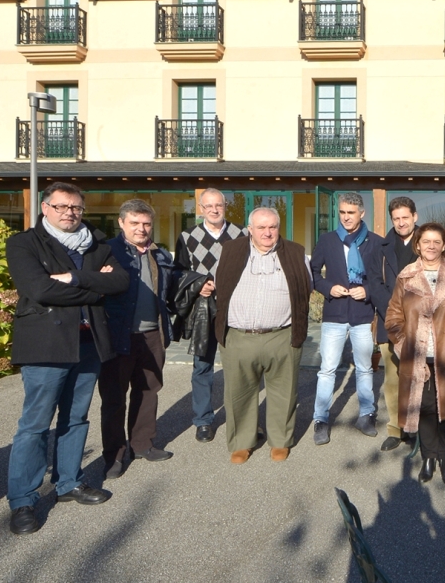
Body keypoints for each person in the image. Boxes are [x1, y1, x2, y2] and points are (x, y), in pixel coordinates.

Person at [5, 182, 129, 535]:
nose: (70, 213)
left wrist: (75, 278)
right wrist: (95, 289)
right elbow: (39, 289)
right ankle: (23, 500)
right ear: (45, 208)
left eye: (75, 207)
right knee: (35, 424)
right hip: (46, 345)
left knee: (76, 418)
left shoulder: (97, 243)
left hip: (88, 343)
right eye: (61, 206)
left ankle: (68, 483)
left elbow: (120, 282)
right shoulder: (24, 243)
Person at [385, 223, 445, 487]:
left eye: (436, 242)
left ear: (444, 245)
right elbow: (393, 316)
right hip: (418, 355)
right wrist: (403, 344)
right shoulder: (406, 276)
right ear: (417, 245)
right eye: (426, 241)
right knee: (426, 408)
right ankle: (429, 457)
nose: (431, 246)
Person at [214, 208, 312, 464]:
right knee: (239, 393)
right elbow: (219, 283)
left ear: (279, 228)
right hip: (239, 336)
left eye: (272, 227)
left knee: (283, 392)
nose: (267, 233)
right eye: (261, 228)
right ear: (250, 229)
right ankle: (241, 442)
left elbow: (306, 288)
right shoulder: (230, 250)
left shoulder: (296, 252)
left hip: (282, 335)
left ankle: (280, 440)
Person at [99, 200, 179, 480]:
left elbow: (172, 288)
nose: (141, 229)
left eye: (146, 223)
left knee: (148, 391)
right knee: (114, 398)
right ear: (121, 223)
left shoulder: (160, 254)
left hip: (153, 334)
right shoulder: (107, 252)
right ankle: (114, 454)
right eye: (134, 223)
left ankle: (142, 444)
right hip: (117, 335)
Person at [310, 192, 389, 445]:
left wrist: (367, 291)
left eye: (351, 213)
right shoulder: (327, 240)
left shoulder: (376, 243)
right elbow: (313, 273)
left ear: (362, 214)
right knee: (327, 369)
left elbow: (383, 280)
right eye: (342, 212)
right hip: (334, 315)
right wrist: (327, 287)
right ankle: (321, 420)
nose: (345, 217)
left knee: (364, 368)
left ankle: (366, 415)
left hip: (362, 315)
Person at [174, 188, 245, 443]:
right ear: (200, 209)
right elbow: (179, 272)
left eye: (219, 205)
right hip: (203, 310)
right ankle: (203, 421)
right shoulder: (187, 237)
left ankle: (241, 419)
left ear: (225, 206)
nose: (214, 210)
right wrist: (198, 284)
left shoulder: (241, 234)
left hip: (235, 310)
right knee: (202, 367)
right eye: (209, 206)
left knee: (238, 368)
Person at [377, 196, 419, 451]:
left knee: (419, 379)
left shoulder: (427, 242)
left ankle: (417, 429)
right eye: (396, 218)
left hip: (422, 323)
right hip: (390, 322)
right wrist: (394, 315)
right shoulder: (382, 247)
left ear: (415, 216)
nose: (401, 222)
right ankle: (396, 429)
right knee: (392, 379)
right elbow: (375, 284)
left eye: (405, 217)